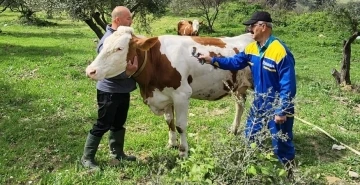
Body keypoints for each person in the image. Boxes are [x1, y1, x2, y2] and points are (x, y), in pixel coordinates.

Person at [199, 11, 296, 176]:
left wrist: (282, 110)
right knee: (250, 133)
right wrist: (213, 60)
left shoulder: (280, 51)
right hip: (260, 101)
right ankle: (252, 165)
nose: (249, 30)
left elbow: (288, 84)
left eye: (252, 26)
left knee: (281, 140)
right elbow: (235, 62)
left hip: (277, 104)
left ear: (263, 26)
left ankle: (288, 171)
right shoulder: (251, 48)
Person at [81, 6, 138, 170]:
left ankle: (117, 153)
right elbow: (106, 70)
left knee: (119, 123)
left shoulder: (122, 37)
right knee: (103, 124)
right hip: (109, 91)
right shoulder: (108, 40)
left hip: (122, 90)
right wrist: (128, 72)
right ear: (118, 20)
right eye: (128, 18)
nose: (131, 21)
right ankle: (87, 158)